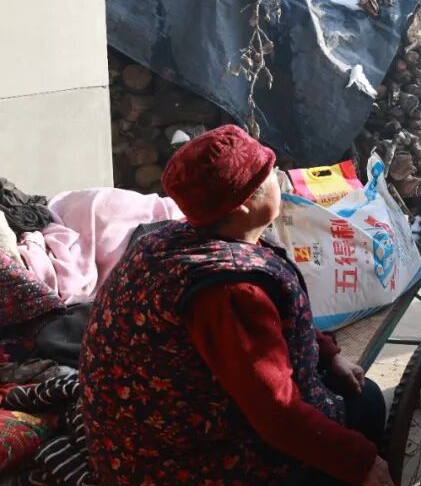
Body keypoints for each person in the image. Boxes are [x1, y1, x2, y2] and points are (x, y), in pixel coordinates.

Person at [80, 125, 393, 486]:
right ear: (244, 203)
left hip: (150, 428)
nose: (279, 177)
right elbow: (276, 413)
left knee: (348, 392)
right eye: (271, 174)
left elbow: (280, 327)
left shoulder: (175, 239)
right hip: (171, 463)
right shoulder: (229, 291)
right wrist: (359, 462)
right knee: (366, 404)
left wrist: (327, 353)